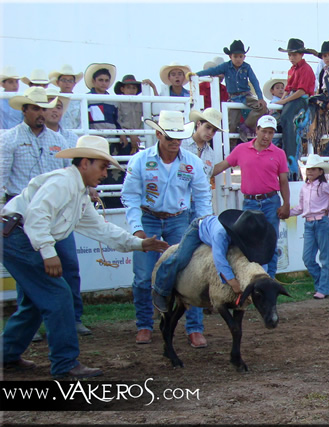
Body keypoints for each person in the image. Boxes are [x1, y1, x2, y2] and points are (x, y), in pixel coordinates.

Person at [1, 135, 168, 378]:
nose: (104, 173)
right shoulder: (63, 184)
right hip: (19, 237)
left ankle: (7, 354)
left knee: (36, 303)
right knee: (58, 297)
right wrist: (48, 252)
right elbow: (37, 215)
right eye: (102, 167)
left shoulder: (77, 191)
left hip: (17, 236)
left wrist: (140, 244)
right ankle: (65, 364)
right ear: (84, 163)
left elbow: (102, 229)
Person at [0, 87, 89, 340]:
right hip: (23, 212)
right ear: (24, 110)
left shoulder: (57, 141)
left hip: (56, 211)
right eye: (36, 108)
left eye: (43, 108)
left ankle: (73, 317)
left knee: (68, 265)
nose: (41, 113)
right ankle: (40, 323)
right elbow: (1, 177)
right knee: (30, 273)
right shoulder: (9, 139)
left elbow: (70, 174)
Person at [121, 110, 213, 347]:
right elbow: (129, 196)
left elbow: (202, 196)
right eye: (170, 137)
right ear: (158, 134)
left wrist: (202, 224)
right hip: (147, 218)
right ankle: (144, 324)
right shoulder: (140, 160)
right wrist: (136, 229)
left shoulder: (193, 163)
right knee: (143, 276)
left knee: (189, 273)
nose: (175, 142)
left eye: (178, 137)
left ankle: (194, 327)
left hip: (179, 218)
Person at [211, 115, 290, 278]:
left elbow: (283, 180)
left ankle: (270, 279)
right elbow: (224, 165)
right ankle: (253, 278)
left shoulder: (279, 153)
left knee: (271, 243)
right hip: (250, 202)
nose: (267, 136)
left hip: (270, 201)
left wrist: (286, 203)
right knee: (249, 243)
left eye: (270, 133)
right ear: (257, 130)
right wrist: (202, 173)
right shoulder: (241, 149)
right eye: (264, 132)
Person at [152, 209, 277, 312]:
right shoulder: (221, 234)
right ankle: (160, 290)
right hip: (199, 229)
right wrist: (233, 282)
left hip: (235, 238)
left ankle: (209, 304)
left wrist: (260, 278)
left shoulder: (254, 236)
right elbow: (219, 259)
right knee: (180, 257)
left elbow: (260, 259)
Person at [194, 41, 268, 145]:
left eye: (240, 56)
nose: (238, 59)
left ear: (244, 57)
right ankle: (231, 149)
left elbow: (254, 81)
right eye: (235, 56)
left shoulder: (246, 67)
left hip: (246, 95)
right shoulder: (225, 66)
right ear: (230, 56)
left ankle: (245, 125)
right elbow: (212, 71)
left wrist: (260, 97)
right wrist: (196, 75)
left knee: (262, 107)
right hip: (233, 98)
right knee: (231, 125)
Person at [289, 154, 329, 299]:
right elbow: (300, 207)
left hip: (321, 221)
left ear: (320, 171)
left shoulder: (324, 186)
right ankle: (320, 285)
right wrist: (287, 213)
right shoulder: (305, 187)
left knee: (324, 256)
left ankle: (322, 288)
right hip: (309, 223)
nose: (309, 172)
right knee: (307, 258)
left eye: (313, 169)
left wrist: (328, 207)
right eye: (308, 169)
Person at [274, 38, 317, 176]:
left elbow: (302, 91)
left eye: (294, 54)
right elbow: (288, 88)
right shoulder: (292, 70)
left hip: (301, 100)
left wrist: (283, 101)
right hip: (294, 98)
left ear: (301, 54)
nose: (292, 57)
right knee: (281, 118)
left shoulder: (306, 69)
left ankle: (291, 162)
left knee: (288, 119)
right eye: (290, 55)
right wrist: (282, 100)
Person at [114, 74, 156, 156]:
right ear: (122, 89)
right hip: (123, 137)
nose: (131, 90)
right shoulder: (118, 102)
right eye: (128, 87)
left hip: (137, 138)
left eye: (134, 88)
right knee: (123, 162)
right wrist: (129, 133)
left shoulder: (140, 103)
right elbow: (117, 120)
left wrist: (153, 87)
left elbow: (156, 107)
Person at [84, 63, 122, 153]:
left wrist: (121, 134)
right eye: (100, 80)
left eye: (106, 80)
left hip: (111, 139)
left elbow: (117, 120)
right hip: (94, 139)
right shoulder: (86, 99)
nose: (103, 83)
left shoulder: (113, 100)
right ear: (94, 81)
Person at [182, 107, 222, 180]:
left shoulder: (210, 153)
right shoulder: (181, 144)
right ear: (198, 124)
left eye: (214, 130)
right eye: (208, 127)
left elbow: (207, 178)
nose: (210, 133)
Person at [48, 64, 82, 130]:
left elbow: (82, 122)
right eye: (64, 80)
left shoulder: (80, 101)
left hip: (76, 135)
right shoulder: (53, 99)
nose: (67, 83)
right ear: (58, 82)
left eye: (70, 81)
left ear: (74, 83)